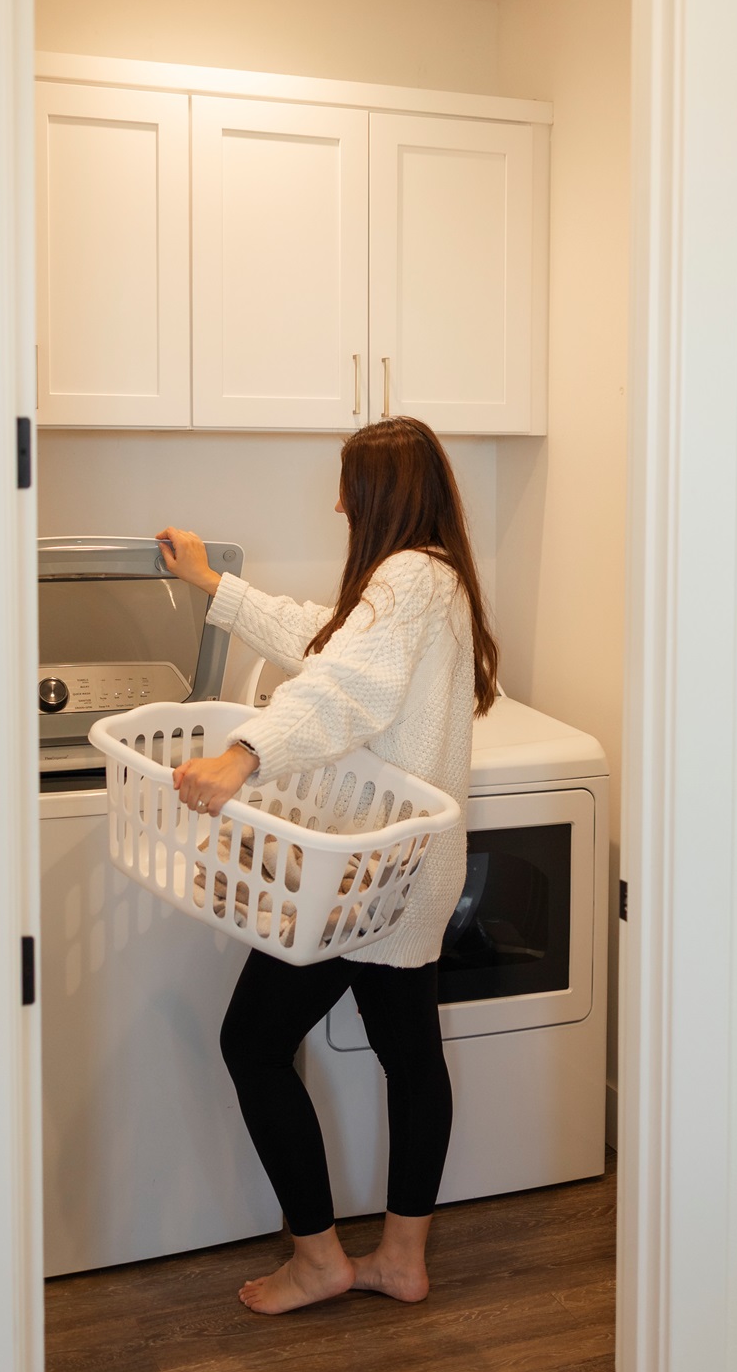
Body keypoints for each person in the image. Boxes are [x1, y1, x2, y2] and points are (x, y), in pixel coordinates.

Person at [155, 416, 498, 1316]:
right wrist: (213, 585)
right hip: (413, 868)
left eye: (348, 483)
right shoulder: (435, 578)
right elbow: (329, 641)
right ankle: (401, 1258)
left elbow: (344, 688)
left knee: (252, 1043)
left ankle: (318, 1258)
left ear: (378, 493)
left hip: (359, 877)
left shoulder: (410, 576)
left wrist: (243, 757)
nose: (337, 500)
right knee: (411, 1054)